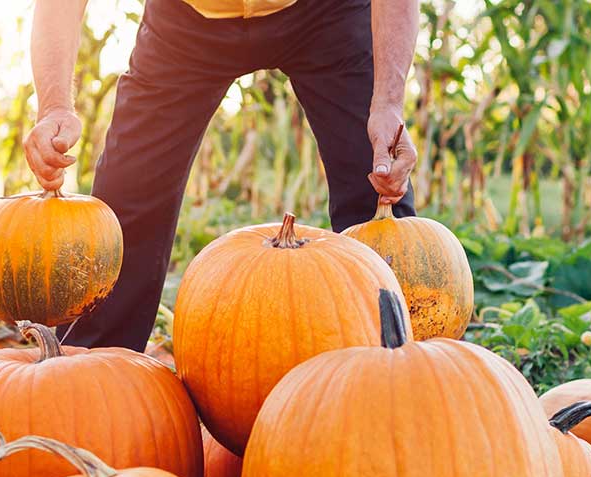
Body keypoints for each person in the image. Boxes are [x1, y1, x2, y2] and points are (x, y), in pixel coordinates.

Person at [26, 0, 419, 351]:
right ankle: (99, 366)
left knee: (376, 179)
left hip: (324, 13)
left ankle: (406, 364)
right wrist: (54, 107)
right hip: (187, 18)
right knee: (128, 198)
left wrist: (387, 104)